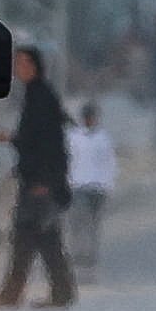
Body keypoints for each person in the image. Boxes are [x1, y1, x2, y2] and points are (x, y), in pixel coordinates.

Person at [0, 45, 76, 309]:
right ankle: (20, 293)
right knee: (32, 239)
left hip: (41, 182)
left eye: (22, 63)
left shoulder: (42, 97)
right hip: (36, 179)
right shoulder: (35, 95)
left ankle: (50, 293)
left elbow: (47, 144)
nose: (18, 68)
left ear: (34, 66)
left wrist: (45, 182)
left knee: (37, 238)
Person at [65, 101, 117, 277]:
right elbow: (68, 161)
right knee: (78, 221)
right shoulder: (74, 137)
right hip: (78, 184)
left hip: (98, 186)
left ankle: (90, 254)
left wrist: (108, 184)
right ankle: (77, 252)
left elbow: (110, 163)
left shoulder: (103, 138)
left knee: (93, 223)